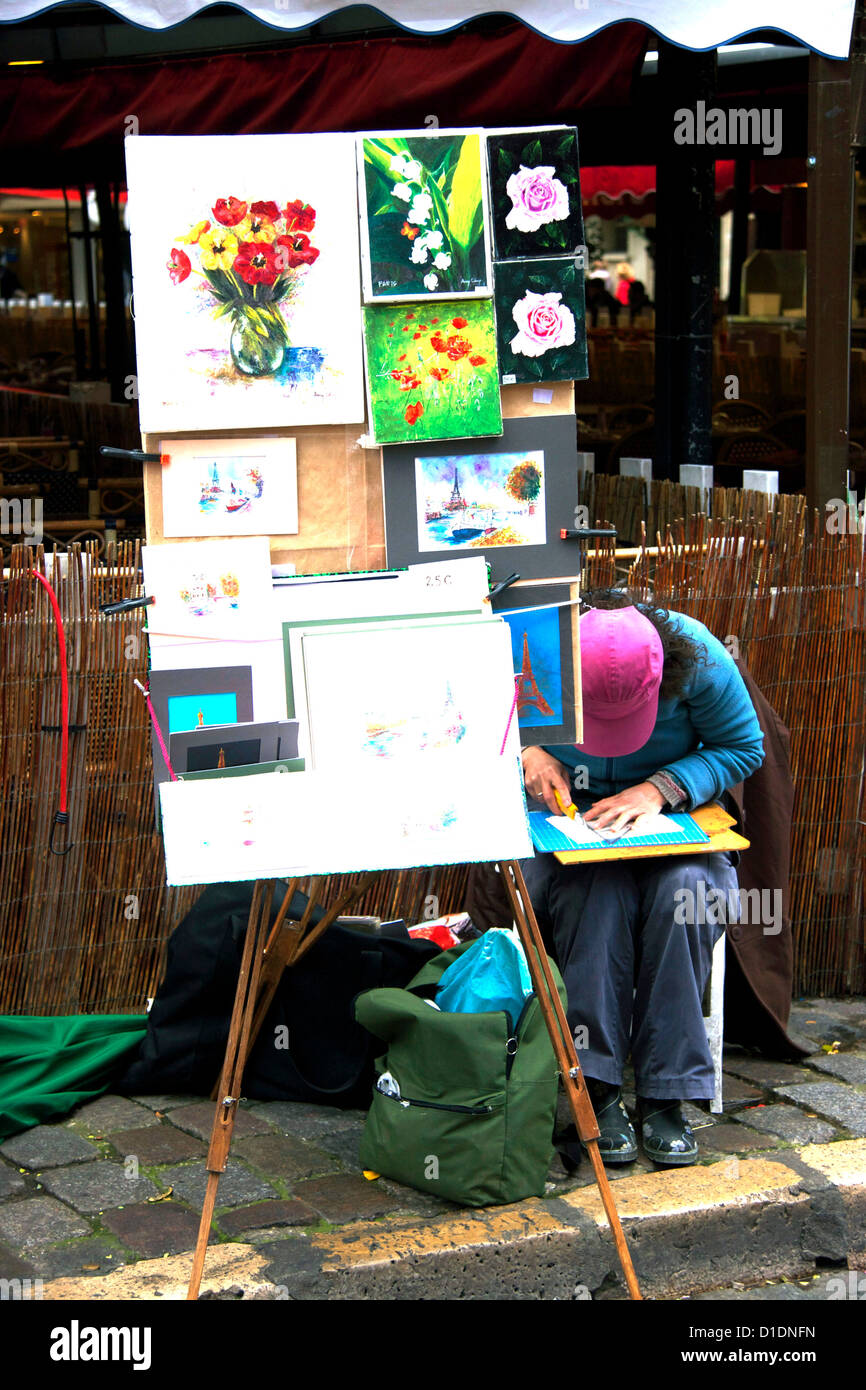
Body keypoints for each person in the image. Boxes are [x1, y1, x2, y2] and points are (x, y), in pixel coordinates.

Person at [519, 591, 765, 1167]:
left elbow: (742, 745)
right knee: (594, 898)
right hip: (568, 831)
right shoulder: (530, 651)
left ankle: (667, 1093)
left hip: (673, 824)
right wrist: (527, 751)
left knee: (688, 896)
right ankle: (597, 1088)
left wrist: (662, 787)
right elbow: (470, 726)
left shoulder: (699, 656)